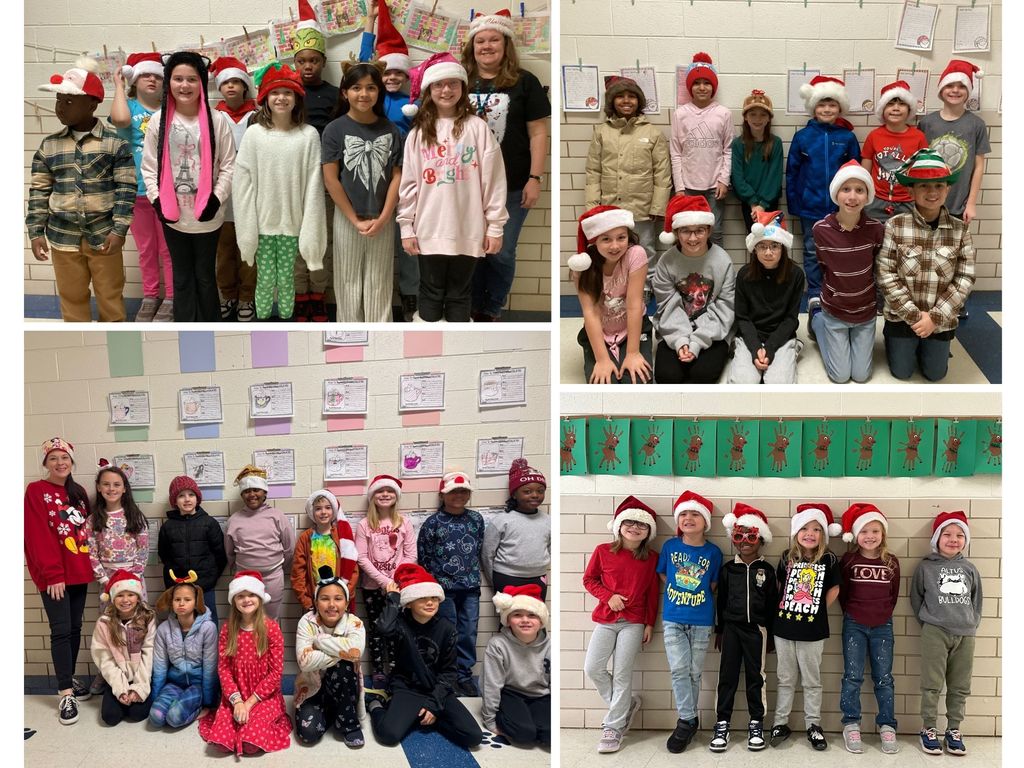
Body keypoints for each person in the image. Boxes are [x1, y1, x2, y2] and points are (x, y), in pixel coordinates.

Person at [398, 54, 508, 322]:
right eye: (439, 85)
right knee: (431, 292)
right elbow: (409, 183)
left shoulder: (478, 128)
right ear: (429, 91)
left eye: (453, 84)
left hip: (467, 228)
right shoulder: (418, 132)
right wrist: (406, 226)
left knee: (460, 294)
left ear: (462, 88)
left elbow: (493, 181)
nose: (446, 90)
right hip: (428, 228)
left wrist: (494, 226)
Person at [27, 58, 135, 322]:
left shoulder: (114, 144)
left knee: (110, 297)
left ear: (92, 103)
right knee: (71, 297)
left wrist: (119, 230)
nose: (61, 108)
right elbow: (39, 192)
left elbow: (125, 189)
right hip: (63, 237)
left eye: (69, 101)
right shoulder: (49, 147)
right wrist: (35, 232)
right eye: (59, 101)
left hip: (104, 236)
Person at [462, 9, 550, 321]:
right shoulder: (459, 80)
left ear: (506, 44)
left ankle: (491, 307)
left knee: (501, 251)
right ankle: (470, 305)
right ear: (472, 46)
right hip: (466, 184)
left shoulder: (525, 82)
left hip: (513, 184)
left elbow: (538, 132)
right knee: (472, 250)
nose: (486, 46)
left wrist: (535, 177)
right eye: (480, 41)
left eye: (493, 40)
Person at [141, 51, 236, 322]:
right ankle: (185, 325)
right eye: (178, 78)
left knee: (205, 277)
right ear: (168, 81)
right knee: (181, 277)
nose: (184, 85)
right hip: (173, 217)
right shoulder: (159, 122)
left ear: (202, 83)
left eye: (192, 79)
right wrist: (157, 200)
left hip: (208, 217)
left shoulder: (217, 120)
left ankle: (209, 325)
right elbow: (149, 167)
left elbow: (229, 164)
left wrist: (216, 199)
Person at [234, 62, 326, 321]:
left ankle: (286, 323)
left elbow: (314, 187)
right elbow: (242, 186)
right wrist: (247, 233)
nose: (281, 98)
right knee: (263, 280)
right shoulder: (254, 135)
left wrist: (311, 234)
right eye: (275, 92)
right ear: (265, 97)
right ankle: (262, 324)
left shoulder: (308, 136)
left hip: (292, 225)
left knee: (286, 280)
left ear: (297, 97)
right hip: (262, 226)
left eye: (287, 92)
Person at [877, 149, 975, 381]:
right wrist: (913, 315)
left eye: (939, 186)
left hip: (940, 320)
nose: (932, 192)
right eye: (923, 186)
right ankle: (902, 343)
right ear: (911, 189)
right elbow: (886, 273)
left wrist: (934, 318)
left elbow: (965, 277)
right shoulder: (895, 226)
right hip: (902, 317)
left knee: (935, 374)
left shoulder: (960, 230)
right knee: (902, 372)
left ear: (948, 189)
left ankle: (933, 345)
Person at [366, 563, 483, 749]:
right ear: (409, 601)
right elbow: (383, 627)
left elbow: (449, 673)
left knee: (473, 737)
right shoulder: (399, 624)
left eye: (434, 598)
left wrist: (434, 705)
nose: (430, 603)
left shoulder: (447, 629)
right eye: (422, 598)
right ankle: (377, 706)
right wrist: (393, 598)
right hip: (407, 688)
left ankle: (424, 717)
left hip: (437, 688)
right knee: (389, 735)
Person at [322, 61, 402, 322]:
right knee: (347, 281)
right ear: (345, 92)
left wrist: (384, 217)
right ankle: (349, 331)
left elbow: (397, 177)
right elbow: (331, 179)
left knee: (379, 281)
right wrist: (354, 218)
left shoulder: (390, 129)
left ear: (379, 92)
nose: (364, 94)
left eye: (370, 87)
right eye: (356, 87)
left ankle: (381, 335)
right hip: (348, 219)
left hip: (383, 218)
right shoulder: (334, 129)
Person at [24, 437, 94, 724]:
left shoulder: (78, 493)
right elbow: (36, 535)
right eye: (53, 458)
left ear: (71, 461)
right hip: (55, 576)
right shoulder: (36, 490)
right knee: (61, 630)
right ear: (45, 463)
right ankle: (65, 692)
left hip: (79, 571)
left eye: (64, 458)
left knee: (75, 627)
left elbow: (85, 532)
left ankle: (70, 677)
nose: (60, 463)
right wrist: (53, 573)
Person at [582, 496, 659, 754]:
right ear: (618, 525)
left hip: (634, 622)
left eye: (641, 524)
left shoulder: (651, 558)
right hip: (606, 619)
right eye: (629, 522)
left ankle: (613, 728)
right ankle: (625, 707)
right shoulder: (603, 551)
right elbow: (589, 580)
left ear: (648, 531)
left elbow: (652, 593)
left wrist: (649, 623)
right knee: (593, 668)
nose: (635, 528)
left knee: (623, 673)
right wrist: (609, 596)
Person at [584, 76, 670, 289]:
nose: (626, 101)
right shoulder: (602, 132)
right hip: (610, 206)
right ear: (612, 101)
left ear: (639, 101)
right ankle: (615, 287)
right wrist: (593, 207)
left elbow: (662, 173)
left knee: (645, 248)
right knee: (612, 249)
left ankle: (646, 287)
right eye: (620, 96)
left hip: (642, 207)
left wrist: (658, 206)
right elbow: (593, 171)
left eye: (631, 96)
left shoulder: (652, 133)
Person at [360, 0, 417, 319]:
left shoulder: (415, 100)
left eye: (398, 72)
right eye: (387, 72)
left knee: (407, 238)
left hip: (408, 179)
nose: (392, 77)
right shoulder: (371, 97)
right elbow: (364, 59)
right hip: (374, 179)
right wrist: (371, 22)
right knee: (377, 239)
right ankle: (374, 297)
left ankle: (410, 295)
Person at [771, 503, 842, 751]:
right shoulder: (785, 557)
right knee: (785, 678)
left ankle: (813, 725)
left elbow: (834, 588)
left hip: (813, 630)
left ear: (823, 534)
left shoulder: (829, 559)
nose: (810, 533)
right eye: (804, 528)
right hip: (784, 628)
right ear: (796, 532)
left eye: (816, 529)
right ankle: (780, 723)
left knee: (812, 680)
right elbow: (779, 587)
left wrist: (817, 607)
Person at [911, 511, 982, 756]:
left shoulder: (969, 568)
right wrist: (929, 623)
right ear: (937, 538)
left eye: (960, 535)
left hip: (965, 633)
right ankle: (928, 728)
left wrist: (971, 623)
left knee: (960, 685)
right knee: (932, 684)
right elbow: (916, 598)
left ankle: (954, 730)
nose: (954, 539)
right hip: (935, 631)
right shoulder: (925, 567)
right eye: (948, 534)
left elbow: (977, 600)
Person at [786, 75, 860, 309]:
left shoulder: (847, 138)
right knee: (811, 249)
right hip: (810, 206)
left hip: (842, 208)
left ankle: (838, 288)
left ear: (840, 107)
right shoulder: (803, 137)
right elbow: (792, 173)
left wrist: (854, 202)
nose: (827, 109)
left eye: (832, 104)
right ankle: (816, 291)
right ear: (813, 107)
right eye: (822, 104)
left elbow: (855, 172)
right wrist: (795, 204)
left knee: (841, 248)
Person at [110, 52, 174, 321]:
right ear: (134, 79)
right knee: (146, 249)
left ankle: (171, 297)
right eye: (146, 74)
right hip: (136, 192)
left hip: (165, 192)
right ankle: (150, 295)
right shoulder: (131, 109)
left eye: (158, 76)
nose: (152, 79)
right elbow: (121, 121)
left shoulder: (170, 109)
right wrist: (118, 86)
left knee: (168, 250)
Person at [199, 572, 292, 755]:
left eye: (251, 594)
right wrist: (237, 701)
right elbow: (224, 669)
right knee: (221, 743)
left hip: (263, 697)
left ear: (259, 597)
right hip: (235, 695)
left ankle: (256, 725)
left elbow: (275, 674)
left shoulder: (271, 629)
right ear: (234, 600)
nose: (246, 599)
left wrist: (248, 703)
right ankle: (235, 720)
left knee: (251, 744)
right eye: (240, 596)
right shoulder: (228, 629)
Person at [710, 503, 777, 753]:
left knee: (755, 677)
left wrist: (769, 633)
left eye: (751, 536)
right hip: (730, 630)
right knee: (726, 677)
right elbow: (721, 600)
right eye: (739, 536)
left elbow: (772, 604)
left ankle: (756, 723)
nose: (745, 542)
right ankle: (722, 723)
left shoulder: (767, 571)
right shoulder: (728, 569)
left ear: (760, 539)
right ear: (734, 540)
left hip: (757, 631)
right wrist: (720, 629)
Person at [660, 491, 723, 753]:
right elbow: (664, 574)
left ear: (705, 521)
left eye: (695, 513)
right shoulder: (670, 547)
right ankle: (686, 720)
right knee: (678, 670)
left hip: (701, 620)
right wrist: (680, 590)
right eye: (684, 514)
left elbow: (713, 584)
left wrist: (692, 591)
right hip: (673, 618)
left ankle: (690, 720)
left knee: (694, 673)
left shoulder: (714, 552)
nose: (689, 518)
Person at [811, 160, 885, 383]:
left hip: (865, 311)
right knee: (840, 376)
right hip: (835, 310)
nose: (852, 197)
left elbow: (876, 266)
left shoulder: (876, 229)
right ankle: (817, 320)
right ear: (836, 194)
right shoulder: (820, 230)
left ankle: (849, 337)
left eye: (859, 190)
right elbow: (823, 266)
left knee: (862, 376)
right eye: (846, 189)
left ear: (867, 196)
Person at [652, 194, 736, 383]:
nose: (692, 238)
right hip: (674, 328)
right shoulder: (666, 262)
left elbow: (725, 307)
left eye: (699, 231)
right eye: (685, 231)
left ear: (708, 230)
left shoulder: (723, 261)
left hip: (712, 331)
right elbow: (667, 306)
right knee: (667, 377)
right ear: (676, 232)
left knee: (702, 375)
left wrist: (697, 341)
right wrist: (681, 340)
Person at [838, 503, 900, 754]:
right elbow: (843, 593)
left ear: (882, 534)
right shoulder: (849, 560)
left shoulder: (891, 561)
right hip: (854, 623)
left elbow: (894, 595)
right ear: (855, 535)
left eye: (875, 530)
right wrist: (854, 613)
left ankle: (887, 725)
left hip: (883, 625)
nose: (870, 536)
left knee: (884, 678)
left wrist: (881, 614)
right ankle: (851, 723)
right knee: (852, 676)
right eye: (864, 531)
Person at [417, 471, 485, 696]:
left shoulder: (476, 520)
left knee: (468, 632)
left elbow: (478, 550)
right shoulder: (433, 523)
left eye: (463, 491)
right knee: (447, 632)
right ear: (442, 494)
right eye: (453, 491)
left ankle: (464, 676)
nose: (458, 495)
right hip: (443, 589)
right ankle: (446, 676)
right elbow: (424, 555)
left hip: (470, 588)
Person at [290, 0, 338, 321]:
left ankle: (319, 294)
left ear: (322, 61)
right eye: (302, 61)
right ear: (296, 63)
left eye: (314, 60)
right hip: (293, 180)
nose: (308, 66)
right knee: (295, 240)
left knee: (321, 239)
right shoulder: (287, 93)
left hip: (324, 180)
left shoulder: (336, 94)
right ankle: (300, 294)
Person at [569, 205, 652, 384]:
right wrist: (602, 360)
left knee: (637, 381)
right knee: (605, 383)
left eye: (621, 238)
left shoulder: (635, 254)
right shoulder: (583, 266)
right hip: (600, 330)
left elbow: (634, 304)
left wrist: (632, 353)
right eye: (606, 239)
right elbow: (590, 312)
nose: (615, 246)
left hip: (633, 327)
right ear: (594, 241)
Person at [726, 211, 804, 384]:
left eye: (774, 246)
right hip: (750, 334)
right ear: (755, 249)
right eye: (762, 246)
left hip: (781, 335)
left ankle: (792, 349)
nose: (768, 252)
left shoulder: (796, 275)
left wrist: (770, 348)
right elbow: (742, 318)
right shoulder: (744, 274)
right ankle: (740, 350)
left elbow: (791, 319)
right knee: (742, 384)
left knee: (779, 385)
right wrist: (755, 349)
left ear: (783, 248)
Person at [355, 475, 416, 691]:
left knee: (396, 627)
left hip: (398, 586)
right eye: (380, 491)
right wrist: (383, 581)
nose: (385, 495)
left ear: (396, 496)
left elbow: (411, 555)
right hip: (372, 587)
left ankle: (395, 667)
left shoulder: (404, 522)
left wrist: (395, 580)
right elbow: (361, 557)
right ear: (373, 496)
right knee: (376, 628)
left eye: (390, 491)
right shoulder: (364, 525)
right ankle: (378, 669)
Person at [294, 565, 366, 748]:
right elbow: (305, 662)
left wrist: (319, 641)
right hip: (312, 687)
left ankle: (348, 723)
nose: (332, 604)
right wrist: (342, 653)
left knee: (344, 668)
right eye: (325, 599)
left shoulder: (355, 622)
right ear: (316, 603)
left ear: (347, 603)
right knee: (307, 735)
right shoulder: (306, 622)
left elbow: (355, 651)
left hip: (344, 686)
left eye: (338, 599)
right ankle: (331, 711)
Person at [209, 56, 258, 322]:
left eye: (236, 82)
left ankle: (246, 299)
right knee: (225, 251)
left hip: (250, 195)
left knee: (248, 252)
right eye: (226, 82)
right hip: (223, 195)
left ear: (245, 87)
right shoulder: (213, 116)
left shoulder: (259, 116)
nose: (231, 87)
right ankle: (227, 295)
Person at [669, 53, 732, 247]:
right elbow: (675, 152)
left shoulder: (723, 113)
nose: (702, 87)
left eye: (707, 82)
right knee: (687, 231)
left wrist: (724, 180)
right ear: (690, 87)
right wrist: (679, 187)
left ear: (713, 86)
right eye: (697, 83)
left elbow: (728, 149)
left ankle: (717, 273)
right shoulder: (680, 114)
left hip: (715, 187)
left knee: (715, 231)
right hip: (688, 186)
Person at [919, 60, 989, 226]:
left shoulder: (976, 124)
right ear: (941, 89)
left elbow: (979, 167)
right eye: (950, 85)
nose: (955, 90)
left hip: (958, 205)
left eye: (961, 86)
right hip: (927, 202)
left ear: (968, 91)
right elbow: (918, 164)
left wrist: (971, 204)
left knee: (950, 251)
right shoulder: (927, 123)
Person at [482, 585, 551, 748]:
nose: (525, 620)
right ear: (507, 620)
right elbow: (491, 685)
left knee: (549, 735)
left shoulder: (551, 646)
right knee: (524, 734)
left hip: (540, 695)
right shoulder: (497, 644)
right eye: (517, 615)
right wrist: (490, 720)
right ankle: (516, 719)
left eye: (532, 615)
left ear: (541, 620)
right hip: (510, 693)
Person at [226, 465, 296, 621]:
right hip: (244, 578)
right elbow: (230, 553)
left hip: (272, 577)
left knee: (271, 619)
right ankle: (248, 646)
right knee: (246, 620)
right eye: (246, 491)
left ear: (264, 492)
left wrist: (275, 567)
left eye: (256, 490)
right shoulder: (234, 520)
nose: (252, 494)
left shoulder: (277, 516)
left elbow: (289, 549)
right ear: (242, 495)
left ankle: (272, 646)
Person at [149, 576, 219, 729]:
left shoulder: (208, 628)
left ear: (196, 602)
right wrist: (155, 698)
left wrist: (209, 702)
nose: (181, 603)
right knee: (156, 718)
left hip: (198, 685)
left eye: (187, 599)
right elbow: (159, 667)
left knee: (174, 718)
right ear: (171, 602)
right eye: (177, 599)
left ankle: (198, 709)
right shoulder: (163, 629)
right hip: (174, 683)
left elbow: (210, 667)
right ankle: (177, 703)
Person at [157, 475, 227, 624]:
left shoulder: (209, 523)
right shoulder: (167, 527)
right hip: (177, 587)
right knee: (180, 623)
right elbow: (164, 555)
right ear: (174, 501)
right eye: (181, 496)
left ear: (197, 498)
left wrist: (210, 578)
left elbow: (220, 555)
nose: (187, 499)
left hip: (204, 587)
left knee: (208, 620)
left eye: (191, 494)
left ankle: (209, 649)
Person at [90, 569, 157, 725]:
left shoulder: (148, 618)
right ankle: (119, 696)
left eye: (130, 594)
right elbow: (104, 659)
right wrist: (121, 689)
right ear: (113, 598)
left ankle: (135, 696)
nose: (125, 600)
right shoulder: (104, 623)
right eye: (120, 595)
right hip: (117, 678)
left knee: (138, 714)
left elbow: (149, 653)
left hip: (141, 677)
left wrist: (139, 688)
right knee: (110, 718)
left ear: (138, 597)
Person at [861, 80, 929, 225]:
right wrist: (863, 195)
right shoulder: (874, 136)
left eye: (901, 104)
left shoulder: (918, 137)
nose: (896, 108)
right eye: (890, 104)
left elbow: (923, 170)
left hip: (907, 202)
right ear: (882, 110)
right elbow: (865, 169)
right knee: (876, 242)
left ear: (909, 109)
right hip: (876, 202)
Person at [483, 459, 550, 599]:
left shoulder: (548, 520)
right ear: (514, 494)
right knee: (509, 618)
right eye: (527, 491)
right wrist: (494, 580)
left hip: (538, 578)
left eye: (540, 491)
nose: (535, 495)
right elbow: (487, 554)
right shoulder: (501, 520)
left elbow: (549, 548)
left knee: (535, 618)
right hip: (506, 577)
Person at [88, 462, 149, 604]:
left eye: (116, 484)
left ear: (124, 489)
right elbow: (91, 554)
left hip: (133, 578)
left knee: (137, 618)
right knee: (111, 621)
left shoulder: (135, 516)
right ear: (98, 487)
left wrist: (134, 576)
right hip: (107, 579)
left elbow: (143, 550)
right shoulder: (92, 520)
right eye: (106, 484)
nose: (111, 489)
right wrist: (104, 580)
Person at [291, 489, 359, 615]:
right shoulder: (305, 538)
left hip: (340, 599)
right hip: (316, 600)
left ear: (333, 510)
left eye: (328, 507)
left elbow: (353, 569)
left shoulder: (342, 537)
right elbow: (298, 573)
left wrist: (345, 596)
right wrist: (307, 602)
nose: (323, 512)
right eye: (318, 509)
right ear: (312, 512)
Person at [731, 89, 783, 234]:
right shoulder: (738, 144)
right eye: (752, 114)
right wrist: (753, 202)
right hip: (749, 204)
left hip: (770, 202)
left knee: (772, 241)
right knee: (754, 241)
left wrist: (763, 204)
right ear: (745, 117)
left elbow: (775, 176)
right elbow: (737, 177)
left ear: (769, 118)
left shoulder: (775, 143)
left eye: (763, 115)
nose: (757, 119)